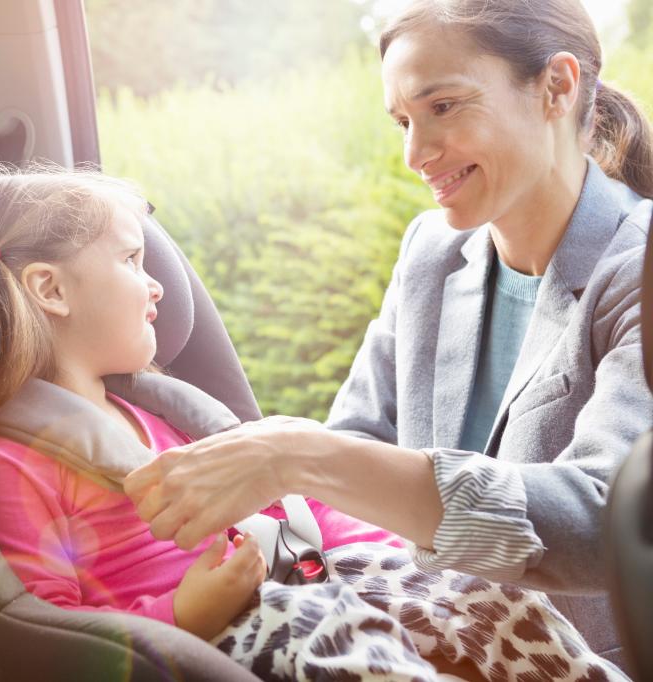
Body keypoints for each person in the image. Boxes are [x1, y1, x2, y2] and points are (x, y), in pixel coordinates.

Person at [124, 0, 653, 668]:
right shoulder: (431, 252)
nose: (413, 154)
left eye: (444, 108)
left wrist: (297, 455)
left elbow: (607, 524)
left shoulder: (637, 269)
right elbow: (360, 446)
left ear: (557, 87)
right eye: (403, 121)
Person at [0, 170, 627, 681]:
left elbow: (297, 512)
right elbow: (45, 634)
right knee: (333, 635)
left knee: (479, 599)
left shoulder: (156, 416)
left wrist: (400, 548)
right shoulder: (13, 461)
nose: (156, 285)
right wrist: (185, 613)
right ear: (51, 290)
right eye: (131, 262)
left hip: (299, 579)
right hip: (205, 644)